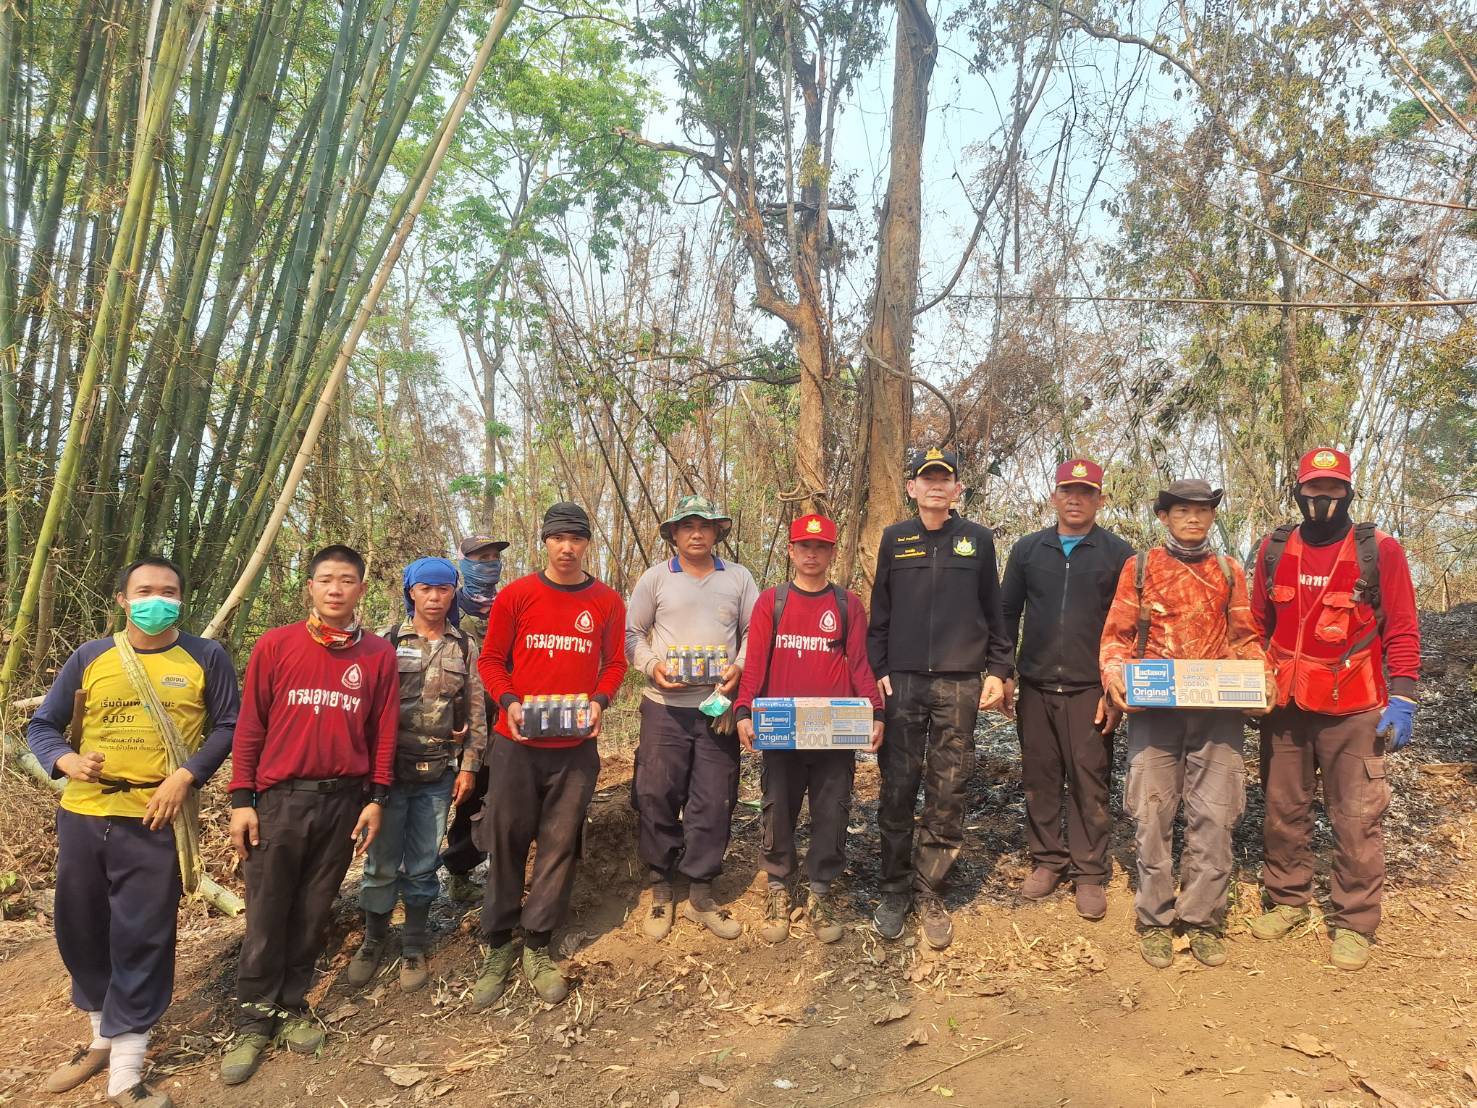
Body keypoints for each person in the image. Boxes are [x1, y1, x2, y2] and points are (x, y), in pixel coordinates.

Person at [27, 556, 239, 1108]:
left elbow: (228, 726)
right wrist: (66, 760)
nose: (156, 600)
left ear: (181, 599)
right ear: (122, 599)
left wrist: (185, 778)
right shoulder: (90, 656)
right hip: (84, 811)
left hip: (156, 815)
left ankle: (126, 1068)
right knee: (79, 926)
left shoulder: (205, 656)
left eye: (168, 591)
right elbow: (42, 725)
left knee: (142, 932)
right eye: (144, 591)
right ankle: (101, 1035)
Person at [221, 545, 399, 1086]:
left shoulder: (377, 654)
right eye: (325, 579)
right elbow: (250, 725)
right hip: (280, 800)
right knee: (267, 909)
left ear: (361, 588)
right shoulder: (276, 645)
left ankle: (292, 1004)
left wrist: (377, 797)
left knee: (314, 908)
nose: (335, 589)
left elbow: (383, 730)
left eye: (346, 580)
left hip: (343, 800)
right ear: (310, 587)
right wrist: (242, 799)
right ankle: (254, 1018)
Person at [1247, 447, 1421, 971]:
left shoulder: (1379, 550)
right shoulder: (1275, 548)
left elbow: (1402, 627)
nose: (1322, 497)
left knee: (1357, 817)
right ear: (1298, 490)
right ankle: (1288, 899)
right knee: (1283, 809)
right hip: (1286, 705)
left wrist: (1404, 696)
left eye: (1333, 488)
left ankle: (1355, 921)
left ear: (1347, 492)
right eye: (1314, 488)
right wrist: (1249, 684)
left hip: (1355, 708)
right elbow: (1256, 625)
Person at [1100, 480, 1273, 970]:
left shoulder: (1229, 570)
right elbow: (1116, 636)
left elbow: (1245, 637)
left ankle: (1202, 919)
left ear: (1213, 517)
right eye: (1182, 511)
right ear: (1164, 517)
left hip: (1217, 713)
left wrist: (1263, 678)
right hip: (1155, 711)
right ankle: (1155, 919)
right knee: (1151, 814)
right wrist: (1113, 677)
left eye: (1202, 510)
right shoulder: (1140, 568)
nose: (1193, 518)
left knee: (1215, 815)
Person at [471, 503, 628, 1008]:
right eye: (558, 538)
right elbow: (491, 660)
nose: (567, 548)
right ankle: (499, 941)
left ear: (587, 544)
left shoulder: (605, 601)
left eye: (575, 539)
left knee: (560, 844)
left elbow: (616, 662)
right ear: (545, 542)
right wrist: (509, 702)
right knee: (506, 838)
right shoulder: (517, 595)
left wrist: (600, 701)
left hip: (575, 748)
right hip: (516, 743)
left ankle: (537, 943)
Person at [867, 447, 1013, 950]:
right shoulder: (895, 538)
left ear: (956, 489)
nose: (935, 486)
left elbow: (995, 611)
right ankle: (894, 888)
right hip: (902, 681)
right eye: (926, 478)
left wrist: (999, 670)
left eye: (943, 479)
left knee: (949, 788)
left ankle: (930, 889)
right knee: (898, 785)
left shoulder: (978, 540)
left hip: (959, 681)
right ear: (912, 488)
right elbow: (880, 614)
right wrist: (878, 671)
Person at [735, 514, 883, 944]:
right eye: (804, 546)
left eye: (820, 547)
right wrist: (743, 710)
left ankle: (820, 892)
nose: (812, 554)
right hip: (781, 729)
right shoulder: (772, 601)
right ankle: (778, 888)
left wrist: (876, 712)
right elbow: (755, 663)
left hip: (834, 732)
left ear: (832, 552)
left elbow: (860, 665)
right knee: (777, 808)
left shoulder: (847, 604)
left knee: (831, 810)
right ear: (791, 551)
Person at [1000, 459, 1134, 920]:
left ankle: (1090, 872)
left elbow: (1128, 628)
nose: (1075, 499)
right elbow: (1007, 613)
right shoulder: (1028, 550)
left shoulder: (1118, 554)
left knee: (1089, 779)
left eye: (1086, 492)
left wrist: (1114, 688)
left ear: (1100, 499)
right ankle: (1048, 860)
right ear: (1054, 497)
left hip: (1089, 689)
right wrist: (1004, 672)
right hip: (1036, 685)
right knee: (1040, 777)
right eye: (1067, 491)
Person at [347, 557, 488, 993]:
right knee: (381, 862)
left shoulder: (464, 646)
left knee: (424, 862)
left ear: (453, 594)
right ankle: (373, 939)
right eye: (426, 588)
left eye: (443, 589)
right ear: (411, 592)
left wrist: (469, 766)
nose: (434, 597)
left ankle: (413, 943)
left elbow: (477, 712)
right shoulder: (385, 641)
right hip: (388, 773)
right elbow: (365, 708)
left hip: (439, 770)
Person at [625, 494, 759, 942]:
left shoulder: (738, 577)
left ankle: (701, 888)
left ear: (717, 532)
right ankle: (661, 883)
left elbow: (754, 632)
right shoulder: (655, 578)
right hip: (664, 708)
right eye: (688, 526)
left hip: (717, 708)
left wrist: (739, 667)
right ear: (674, 534)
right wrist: (652, 666)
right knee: (656, 791)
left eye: (705, 526)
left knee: (714, 795)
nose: (697, 534)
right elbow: (632, 633)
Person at [442, 535, 510, 902]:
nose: (490, 563)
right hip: (464, 720)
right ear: (465, 564)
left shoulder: (511, 604)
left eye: (494, 557)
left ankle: (505, 872)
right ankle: (459, 870)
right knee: (468, 795)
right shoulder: (450, 606)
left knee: (508, 794)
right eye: (481, 558)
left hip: (508, 714)